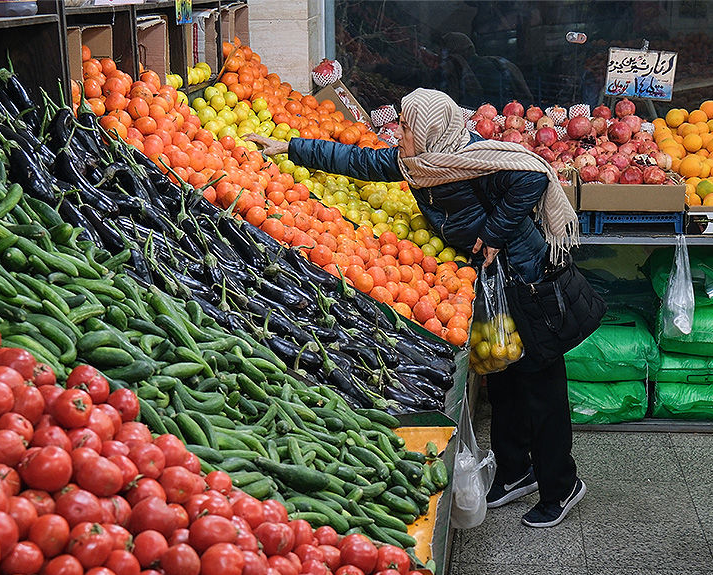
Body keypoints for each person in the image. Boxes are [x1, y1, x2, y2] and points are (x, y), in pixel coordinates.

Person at [247, 88, 588, 528]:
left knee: (540, 386)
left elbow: (533, 177)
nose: (401, 134)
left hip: (527, 279)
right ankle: (515, 470)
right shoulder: (422, 163)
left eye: (407, 126)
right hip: (490, 281)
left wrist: (497, 232)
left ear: (429, 130)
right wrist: (290, 147)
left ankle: (562, 485)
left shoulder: (474, 162)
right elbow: (362, 163)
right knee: (504, 380)